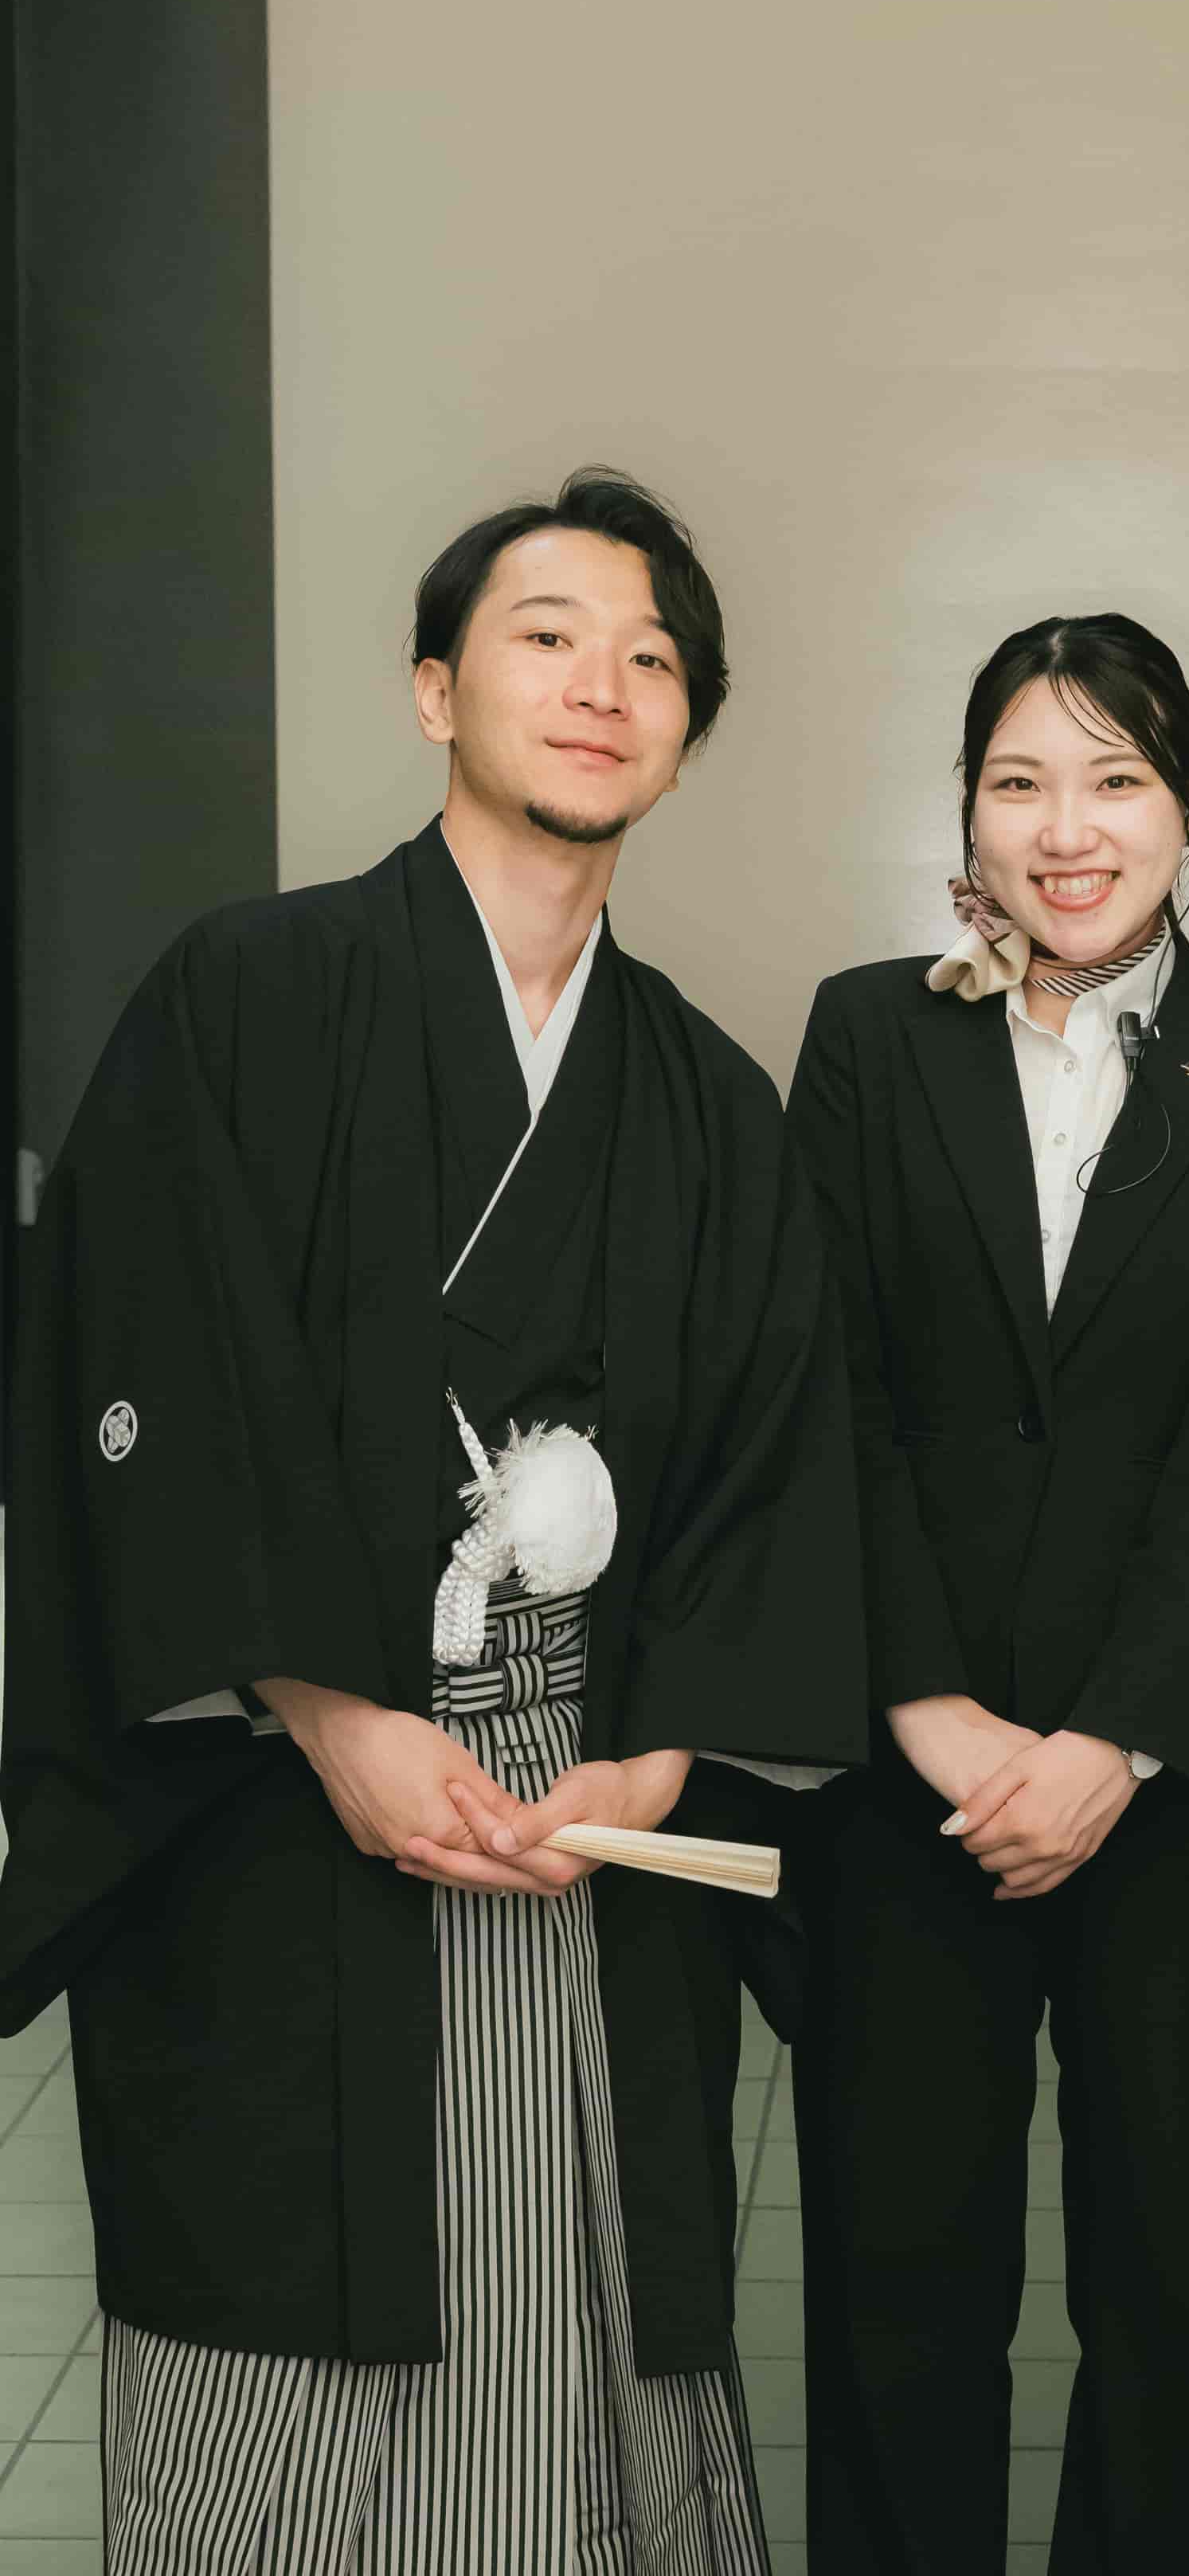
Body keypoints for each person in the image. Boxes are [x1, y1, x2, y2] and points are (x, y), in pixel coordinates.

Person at [0, 468, 866, 2575]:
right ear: (431, 688)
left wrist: (655, 1753)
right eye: (545, 636)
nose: (601, 684)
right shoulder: (244, 995)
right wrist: (323, 1708)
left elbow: (771, 1466)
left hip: (588, 1809)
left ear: (685, 730)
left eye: (649, 657)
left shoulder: (705, 1100)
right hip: (279, 1794)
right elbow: (138, 1367)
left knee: (582, 2318)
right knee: (285, 2309)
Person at [784, 613, 1189, 2576]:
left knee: (1169, 2281)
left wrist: (1110, 1736)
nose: (1066, 826)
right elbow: (827, 1392)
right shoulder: (869, 1035)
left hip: (1173, 1777)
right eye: (1018, 780)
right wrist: (926, 1704)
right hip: (907, 1775)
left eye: (1114, 778)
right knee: (895, 2281)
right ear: (964, 812)